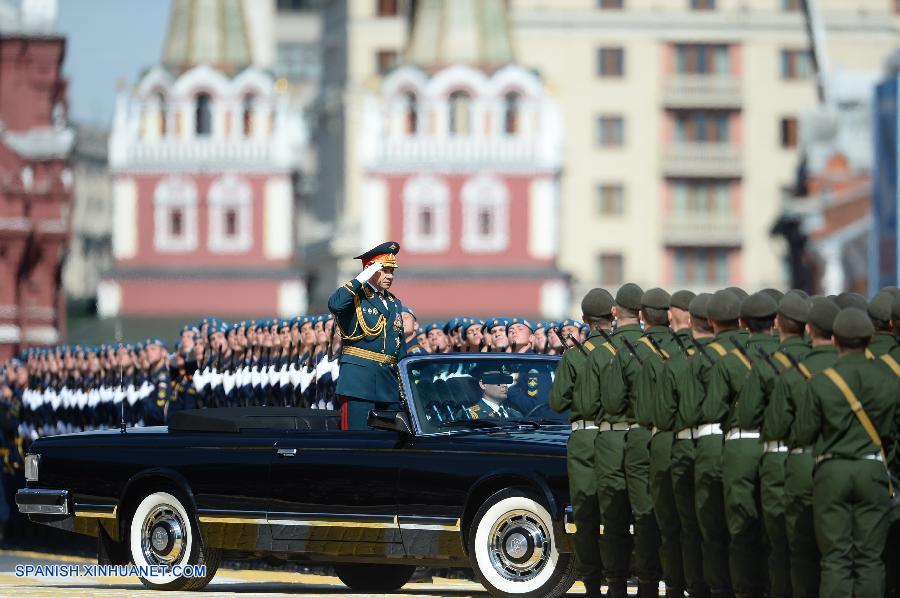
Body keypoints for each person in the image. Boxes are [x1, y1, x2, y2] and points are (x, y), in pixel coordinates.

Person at [794, 308, 900, 598]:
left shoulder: (822, 381)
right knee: (869, 559)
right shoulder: (890, 380)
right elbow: (894, 434)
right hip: (873, 469)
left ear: (836, 340)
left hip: (832, 470)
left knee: (836, 558)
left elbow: (803, 433)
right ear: (869, 340)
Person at [764, 296, 840, 598]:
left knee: (799, 547)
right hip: (848, 464)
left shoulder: (794, 371)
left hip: (801, 463)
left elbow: (776, 426)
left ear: (810, 329)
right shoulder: (861, 369)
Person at [602, 286, 674, 597]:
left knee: (644, 517)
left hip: (640, 435)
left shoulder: (630, 351)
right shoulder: (687, 349)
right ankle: (676, 583)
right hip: (679, 439)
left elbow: (613, 401)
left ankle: (644, 585)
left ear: (643, 316)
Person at [548, 288, 615, 598]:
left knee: (586, 515)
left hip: (585, 439)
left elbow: (557, 402)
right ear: (612, 316)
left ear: (586, 320)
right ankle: (619, 580)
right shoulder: (625, 352)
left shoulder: (576, 355)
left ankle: (592, 585)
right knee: (617, 510)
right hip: (617, 437)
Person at [327, 242, 406, 430]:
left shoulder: (394, 302)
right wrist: (360, 279)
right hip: (359, 381)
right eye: (385, 270)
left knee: (389, 439)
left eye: (392, 271)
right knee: (359, 438)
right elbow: (335, 305)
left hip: (388, 381)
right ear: (371, 271)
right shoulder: (355, 296)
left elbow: (398, 344)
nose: (390, 276)